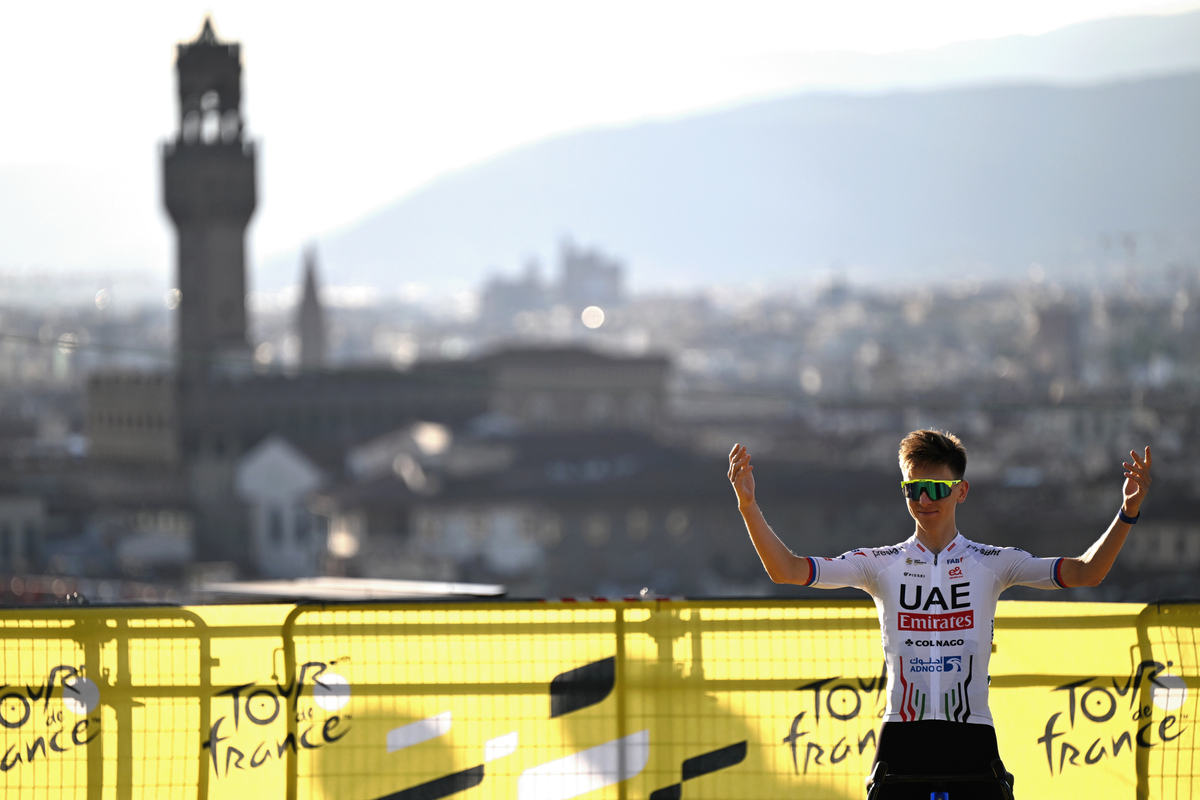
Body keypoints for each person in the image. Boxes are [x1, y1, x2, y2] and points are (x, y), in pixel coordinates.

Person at [728, 429, 1151, 799]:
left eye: (936, 487)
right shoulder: (880, 563)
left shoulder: (991, 561)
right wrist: (748, 506)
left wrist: (1127, 512)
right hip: (902, 740)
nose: (925, 499)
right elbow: (786, 570)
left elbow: (1088, 572)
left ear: (961, 491)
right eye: (914, 489)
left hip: (971, 740)